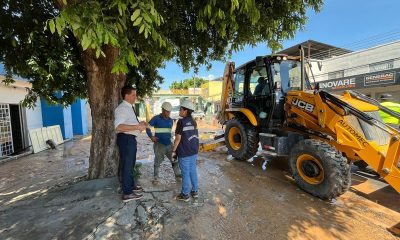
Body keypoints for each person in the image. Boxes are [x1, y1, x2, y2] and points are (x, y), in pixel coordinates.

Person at [114, 85, 147, 202]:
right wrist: (138, 126)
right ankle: (127, 193)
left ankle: (131, 185)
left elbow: (129, 123)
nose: (135, 97)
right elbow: (118, 126)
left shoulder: (129, 108)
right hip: (126, 139)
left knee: (130, 164)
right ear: (127, 95)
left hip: (130, 139)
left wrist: (140, 124)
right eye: (133, 95)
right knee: (127, 165)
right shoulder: (123, 108)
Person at [146, 101, 181, 184]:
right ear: (162, 110)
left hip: (169, 144)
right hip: (159, 145)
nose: (169, 113)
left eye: (169, 112)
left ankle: (178, 175)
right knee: (157, 162)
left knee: (174, 159)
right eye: (167, 111)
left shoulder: (171, 121)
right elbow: (147, 127)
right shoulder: (156, 119)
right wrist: (151, 137)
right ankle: (156, 178)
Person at [172, 100, 200, 202]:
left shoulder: (181, 122)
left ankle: (185, 194)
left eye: (181, 109)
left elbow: (178, 138)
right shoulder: (193, 121)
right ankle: (195, 191)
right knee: (192, 170)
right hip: (193, 150)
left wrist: (173, 151)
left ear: (185, 111)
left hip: (184, 151)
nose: (179, 111)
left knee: (185, 173)